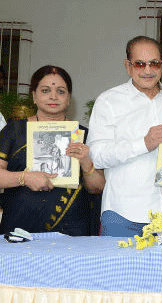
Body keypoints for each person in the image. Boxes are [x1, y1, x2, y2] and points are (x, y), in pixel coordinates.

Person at [87, 36, 162, 237]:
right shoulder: (108, 101)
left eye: (155, 63)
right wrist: (143, 143)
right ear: (128, 66)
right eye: (140, 64)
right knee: (117, 269)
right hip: (120, 213)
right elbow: (96, 156)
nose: (148, 70)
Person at [0, 65, 105, 236]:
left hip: (73, 231)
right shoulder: (14, 130)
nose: (53, 96)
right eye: (45, 90)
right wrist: (24, 177)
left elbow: (97, 188)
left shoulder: (83, 135)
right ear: (34, 96)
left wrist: (86, 163)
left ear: (69, 98)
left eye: (61, 91)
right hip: (19, 229)